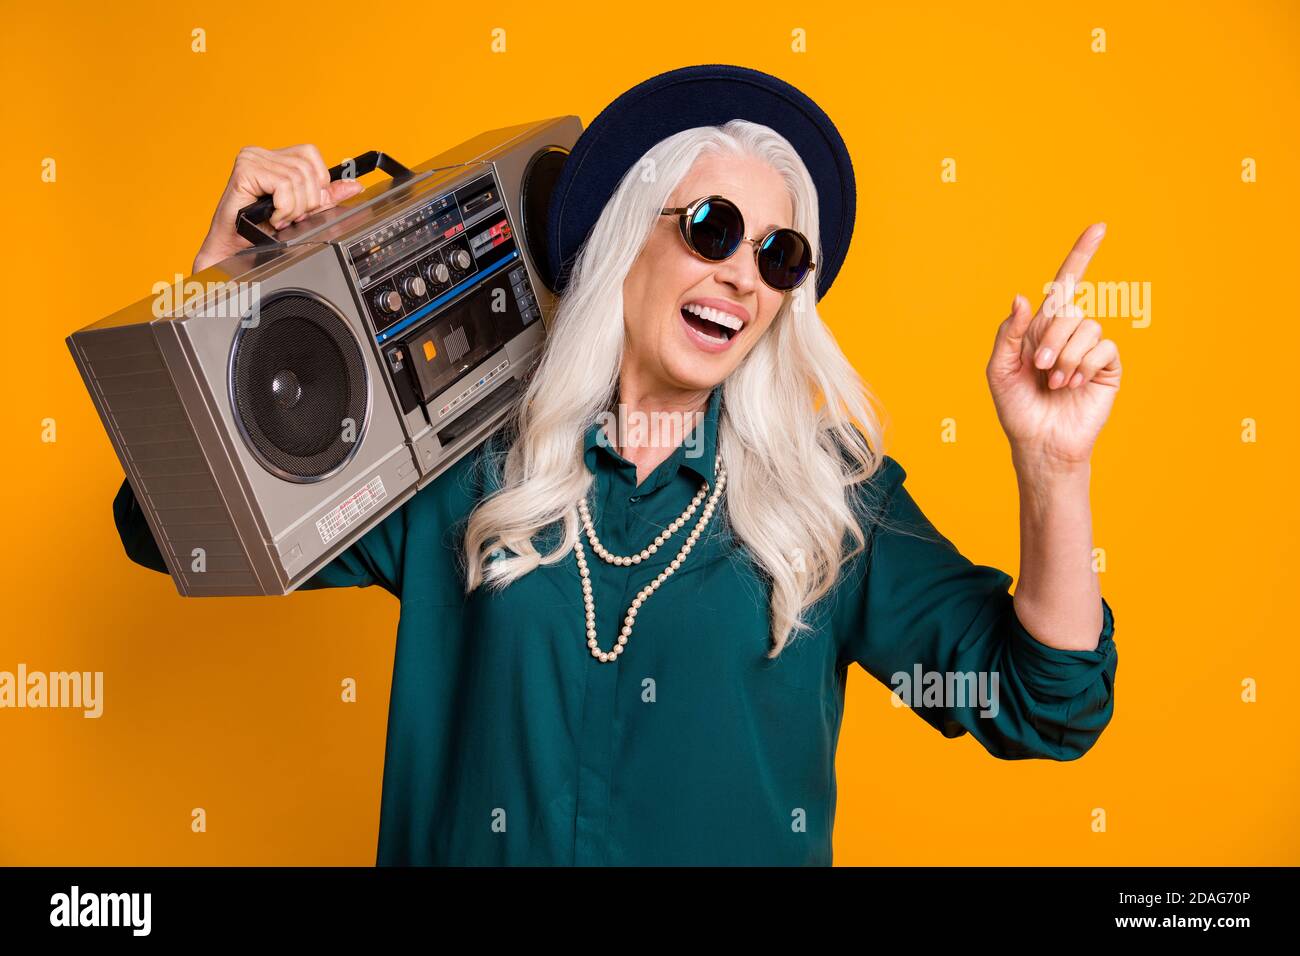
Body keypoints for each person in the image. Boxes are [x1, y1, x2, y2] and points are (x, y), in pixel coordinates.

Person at [112, 64, 1120, 865]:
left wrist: (1051, 467)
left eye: (779, 255)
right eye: (713, 228)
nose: (741, 270)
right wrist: (223, 294)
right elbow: (178, 531)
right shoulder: (459, 467)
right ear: (618, 242)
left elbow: (1043, 701)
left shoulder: (831, 494)